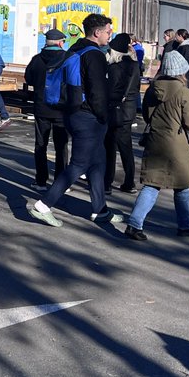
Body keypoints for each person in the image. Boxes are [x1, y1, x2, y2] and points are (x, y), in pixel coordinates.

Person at [28, 13, 122, 227]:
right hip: (89, 117)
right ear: (97, 33)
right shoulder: (95, 55)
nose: (110, 35)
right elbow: (97, 91)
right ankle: (43, 205)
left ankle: (100, 210)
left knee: (98, 162)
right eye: (108, 31)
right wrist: (104, 116)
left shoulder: (74, 49)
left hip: (71, 112)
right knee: (79, 164)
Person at [123, 51, 189, 241]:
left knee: (152, 184)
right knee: (182, 186)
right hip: (176, 142)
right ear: (182, 71)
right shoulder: (183, 91)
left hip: (155, 139)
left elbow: (148, 116)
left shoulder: (151, 89)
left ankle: (135, 223)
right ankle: (184, 224)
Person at [23, 29, 70, 189]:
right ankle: (61, 181)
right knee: (61, 146)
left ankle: (41, 180)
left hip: (41, 107)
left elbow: (28, 78)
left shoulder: (37, 59)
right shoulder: (67, 59)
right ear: (60, 42)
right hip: (61, 108)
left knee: (41, 144)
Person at [104, 32, 141, 193]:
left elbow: (112, 90)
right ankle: (129, 181)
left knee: (109, 147)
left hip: (115, 110)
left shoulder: (115, 67)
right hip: (129, 111)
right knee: (126, 148)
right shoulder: (134, 65)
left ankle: (107, 182)